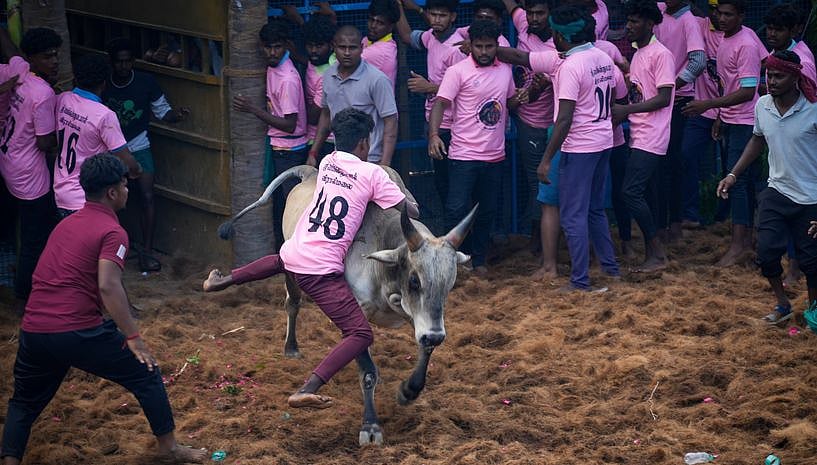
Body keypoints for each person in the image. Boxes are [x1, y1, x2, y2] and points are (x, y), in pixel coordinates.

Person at [202, 108, 417, 409]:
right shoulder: (372, 174)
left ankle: (222, 280)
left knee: (279, 260)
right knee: (360, 333)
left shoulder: (328, 162)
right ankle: (307, 387)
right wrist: (400, 193)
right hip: (321, 271)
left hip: (296, 251)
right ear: (365, 145)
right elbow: (411, 212)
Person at [0, 154, 207, 465]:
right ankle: (169, 449)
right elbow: (108, 285)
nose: (127, 191)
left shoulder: (66, 224)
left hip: (34, 330)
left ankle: (9, 460)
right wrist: (133, 337)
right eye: (124, 185)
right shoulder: (113, 232)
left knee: (24, 403)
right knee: (146, 373)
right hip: (77, 330)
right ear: (113, 192)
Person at [496, 5, 620, 291]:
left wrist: (547, 159)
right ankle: (611, 269)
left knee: (572, 216)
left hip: (580, 147)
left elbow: (564, 118)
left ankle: (579, 281)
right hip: (604, 141)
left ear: (563, 37)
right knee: (595, 210)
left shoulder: (570, 67)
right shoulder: (602, 56)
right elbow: (613, 96)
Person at [716, 50, 817, 325]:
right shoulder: (762, 105)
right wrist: (733, 175)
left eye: (778, 76)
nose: (771, 81)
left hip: (811, 198)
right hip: (777, 190)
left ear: (795, 78)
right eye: (769, 75)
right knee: (766, 253)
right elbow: (757, 139)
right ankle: (782, 305)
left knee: (811, 262)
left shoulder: (813, 108)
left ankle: (813, 312)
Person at [429, 20, 521, 275]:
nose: (483, 51)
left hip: (495, 156)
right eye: (478, 46)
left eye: (489, 46)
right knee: (456, 209)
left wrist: (530, 93)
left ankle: (478, 260)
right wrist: (434, 135)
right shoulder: (457, 72)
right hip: (463, 154)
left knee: (487, 210)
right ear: (470, 46)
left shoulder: (505, 71)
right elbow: (440, 104)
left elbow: (510, 102)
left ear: (496, 46)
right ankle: (453, 261)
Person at [682, 0, 764, 266]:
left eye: (728, 14)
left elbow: (747, 91)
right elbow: (725, 84)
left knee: (737, 180)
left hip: (745, 120)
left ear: (741, 15)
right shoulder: (726, 39)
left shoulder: (746, 44)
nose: (722, 17)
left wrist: (708, 105)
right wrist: (720, 115)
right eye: (718, 12)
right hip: (730, 118)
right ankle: (745, 239)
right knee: (741, 180)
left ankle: (740, 245)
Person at [103, 38, 190, 272]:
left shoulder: (145, 82)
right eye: (119, 62)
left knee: (147, 197)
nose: (123, 67)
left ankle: (147, 252)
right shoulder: (103, 84)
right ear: (112, 63)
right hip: (110, 149)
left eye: (127, 62)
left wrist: (178, 116)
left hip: (139, 145)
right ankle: (110, 254)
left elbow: (163, 112)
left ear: (133, 61)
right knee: (106, 201)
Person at [232, 20, 308, 252]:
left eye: (276, 47)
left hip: (290, 150)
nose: (271, 52)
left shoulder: (287, 79)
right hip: (279, 147)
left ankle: (294, 253)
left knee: (291, 206)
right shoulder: (273, 68)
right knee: (279, 205)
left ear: (286, 45)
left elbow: (289, 124)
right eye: (267, 47)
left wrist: (253, 110)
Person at [612, 0, 676, 272]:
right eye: (628, 21)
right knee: (644, 194)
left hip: (653, 135)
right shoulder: (639, 54)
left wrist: (627, 109)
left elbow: (663, 98)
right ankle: (653, 253)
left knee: (630, 192)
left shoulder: (660, 54)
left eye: (635, 21)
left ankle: (657, 251)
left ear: (650, 24)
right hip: (639, 134)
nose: (629, 26)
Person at [0, 28, 60, 307]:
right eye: (48, 56)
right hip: (29, 174)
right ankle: (25, 295)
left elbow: (11, 51)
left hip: (9, 159)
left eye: (56, 54)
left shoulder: (19, 70)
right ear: (33, 58)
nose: (55, 60)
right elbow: (44, 141)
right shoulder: (44, 93)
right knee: (34, 237)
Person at [395, 0, 466, 207]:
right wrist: (399, 5)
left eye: (442, 15)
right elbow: (407, 36)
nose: (436, 20)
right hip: (435, 122)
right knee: (442, 184)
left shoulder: (457, 47)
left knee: (454, 187)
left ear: (453, 17)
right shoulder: (431, 37)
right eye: (433, 15)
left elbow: (465, 88)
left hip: (454, 125)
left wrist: (430, 87)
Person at [53, 54, 141, 218]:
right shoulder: (104, 115)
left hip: (61, 192)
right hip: (86, 199)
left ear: (76, 79)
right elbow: (125, 159)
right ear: (104, 83)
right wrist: (136, 170)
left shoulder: (64, 99)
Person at [500, 0, 555, 260]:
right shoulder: (522, 21)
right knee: (535, 183)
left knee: (544, 183)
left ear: (550, 14)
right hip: (526, 122)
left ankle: (539, 242)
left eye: (540, 13)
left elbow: (533, 95)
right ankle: (537, 239)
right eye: (531, 12)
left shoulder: (557, 45)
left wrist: (538, 88)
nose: (533, 18)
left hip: (548, 123)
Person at [653, 0, 705, 243]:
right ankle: (661, 225)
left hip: (678, 101)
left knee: (672, 164)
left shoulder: (688, 21)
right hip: (655, 99)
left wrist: (670, 85)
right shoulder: (659, 11)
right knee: (659, 165)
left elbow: (698, 61)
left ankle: (675, 224)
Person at [309, 26, 398, 166]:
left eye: (352, 48)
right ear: (334, 47)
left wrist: (385, 164)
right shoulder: (328, 76)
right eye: (342, 47)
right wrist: (313, 153)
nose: (347, 53)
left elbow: (390, 121)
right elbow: (326, 115)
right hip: (340, 160)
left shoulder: (377, 79)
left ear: (362, 48)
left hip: (370, 161)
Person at [680, 0, 722, 228]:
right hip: (700, 109)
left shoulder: (743, 38)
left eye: (724, 10)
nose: (719, 15)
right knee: (686, 156)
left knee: (730, 167)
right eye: (714, 9)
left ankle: (723, 218)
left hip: (730, 113)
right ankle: (691, 214)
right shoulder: (698, 25)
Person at [302, 15, 338, 159]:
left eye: (318, 46)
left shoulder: (328, 75)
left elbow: (313, 117)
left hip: (325, 141)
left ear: (331, 46)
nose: (313, 51)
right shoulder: (317, 60)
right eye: (310, 45)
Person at [764, 3, 816, 83]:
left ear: (793, 31)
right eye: (770, 28)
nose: (772, 34)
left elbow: (811, 94)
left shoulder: (802, 63)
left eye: (779, 30)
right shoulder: (775, 52)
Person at [363, 0, 400, 85]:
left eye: (380, 23)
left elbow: (337, 65)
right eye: (371, 19)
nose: (373, 26)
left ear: (391, 27)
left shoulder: (379, 52)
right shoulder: (368, 40)